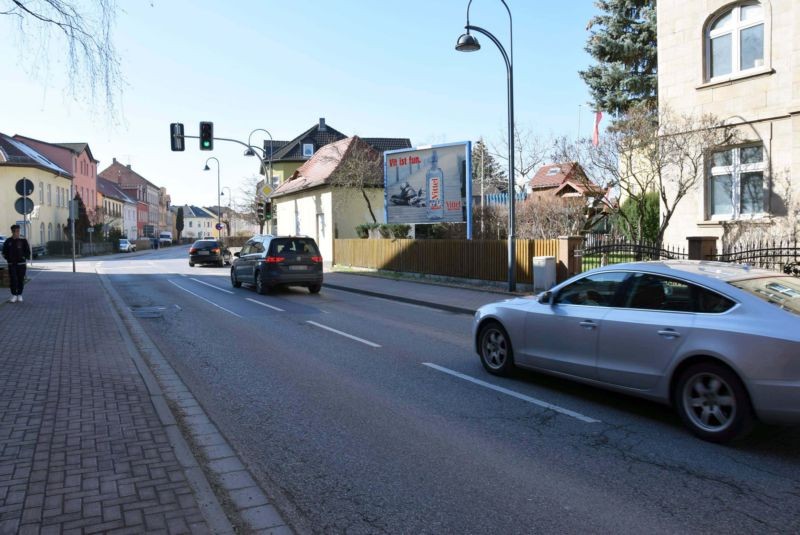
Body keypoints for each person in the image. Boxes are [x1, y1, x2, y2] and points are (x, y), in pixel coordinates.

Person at [2, 224, 31, 303]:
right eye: (17, 231)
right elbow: (4, 252)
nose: (18, 233)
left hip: (21, 264)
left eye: (19, 231)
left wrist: (24, 257)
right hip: (12, 265)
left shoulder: (23, 241)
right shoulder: (8, 241)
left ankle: (20, 295)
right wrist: (8, 259)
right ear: (13, 232)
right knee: (13, 280)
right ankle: (14, 295)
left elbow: (28, 252)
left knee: (20, 280)